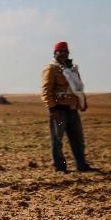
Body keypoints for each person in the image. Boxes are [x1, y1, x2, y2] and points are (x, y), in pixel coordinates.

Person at [41, 41, 92, 173]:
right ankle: (60, 166)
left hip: (72, 109)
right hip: (58, 109)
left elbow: (78, 88)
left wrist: (82, 102)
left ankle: (81, 165)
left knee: (77, 140)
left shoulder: (72, 69)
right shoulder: (51, 68)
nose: (63, 54)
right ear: (55, 53)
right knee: (57, 141)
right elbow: (46, 91)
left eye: (65, 51)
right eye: (60, 51)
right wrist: (52, 108)